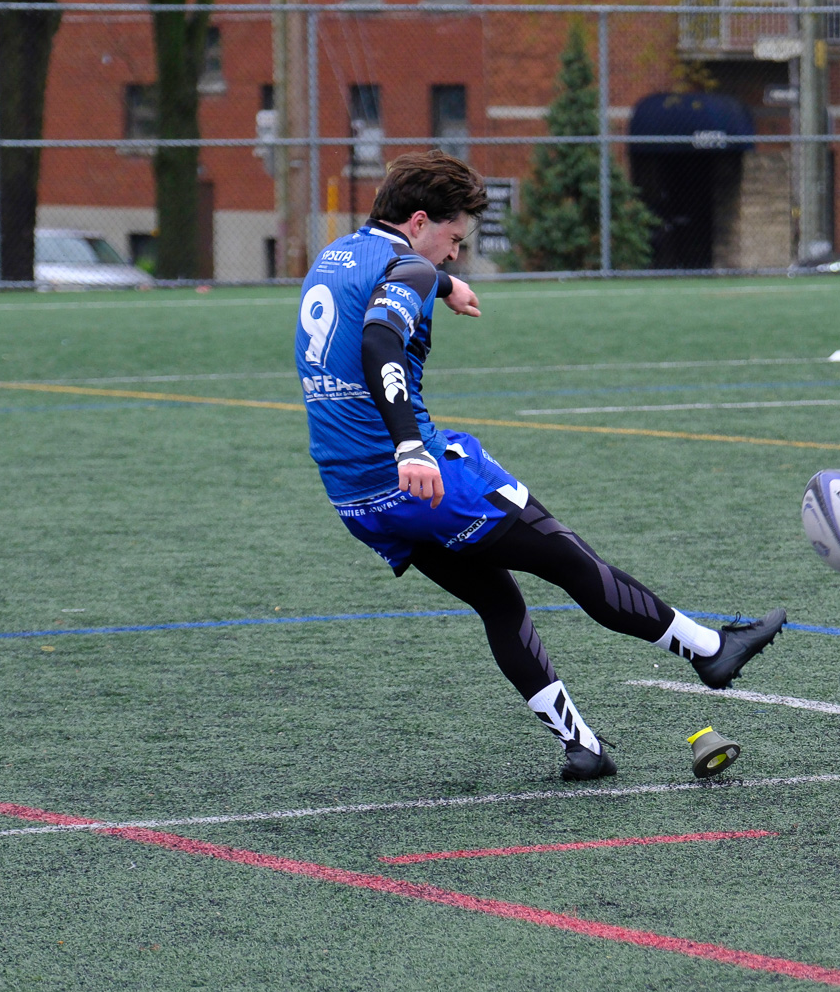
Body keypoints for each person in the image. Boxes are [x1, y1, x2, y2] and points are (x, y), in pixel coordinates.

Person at [293, 150, 784, 781]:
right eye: (453, 240)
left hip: (355, 498)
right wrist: (410, 446)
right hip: (424, 478)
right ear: (418, 222)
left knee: (498, 602)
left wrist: (446, 287)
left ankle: (582, 748)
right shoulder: (410, 265)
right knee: (573, 562)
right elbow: (380, 339)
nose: (453, 254)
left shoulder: (336, 255)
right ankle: (711, 650)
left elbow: (387, 289)